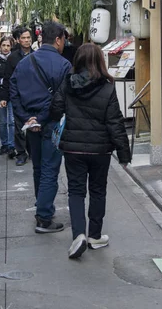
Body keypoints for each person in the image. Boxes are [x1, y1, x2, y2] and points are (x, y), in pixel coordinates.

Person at [50, 42, 131, 259]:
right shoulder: (107, 86)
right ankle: (94, 235)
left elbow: (55, 109)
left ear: (77, 61)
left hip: (73, 149)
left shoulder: (68, 84)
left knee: (76, 191)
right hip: (100, 151)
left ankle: (79, 235)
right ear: (100, 61)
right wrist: (124, 154)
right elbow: (115, 122)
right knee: (98, 191)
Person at [10, 21, 71, 233]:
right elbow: (61, 100)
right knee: (50, 169)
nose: (64, 43)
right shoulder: (63, 65)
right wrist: (41, 118)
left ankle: (43, 205)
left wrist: (27, 118)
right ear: (57, 39)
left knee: (38, 167)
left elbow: (13, 90)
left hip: (31, 125)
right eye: (64, 39)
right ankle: (44, 218)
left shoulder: (25, 63)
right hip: (52, 125)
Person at [0, 27, 33, 165]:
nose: (26, 40)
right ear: (18, 40)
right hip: (17, 96)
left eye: (28, 38)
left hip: (33, 96)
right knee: (18, 126)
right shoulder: (13, 57)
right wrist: (4, 97)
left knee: (32, 125)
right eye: (23, 38)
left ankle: (32, 151)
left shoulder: (36, 55)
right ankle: (21, 153)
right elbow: (7, 79)